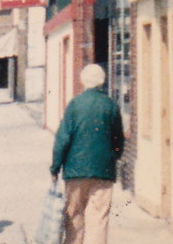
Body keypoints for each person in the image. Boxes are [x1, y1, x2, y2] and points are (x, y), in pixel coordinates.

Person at [50, 64, 125, 244]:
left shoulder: (75, 105)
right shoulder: (111, 105)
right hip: (103, 171)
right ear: (102, 81)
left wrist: (55, 167)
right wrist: (113, 157)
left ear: (83, 81)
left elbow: (62, 139)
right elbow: (118, 140)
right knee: (98, 218)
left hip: (75, 171)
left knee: (74, 216)